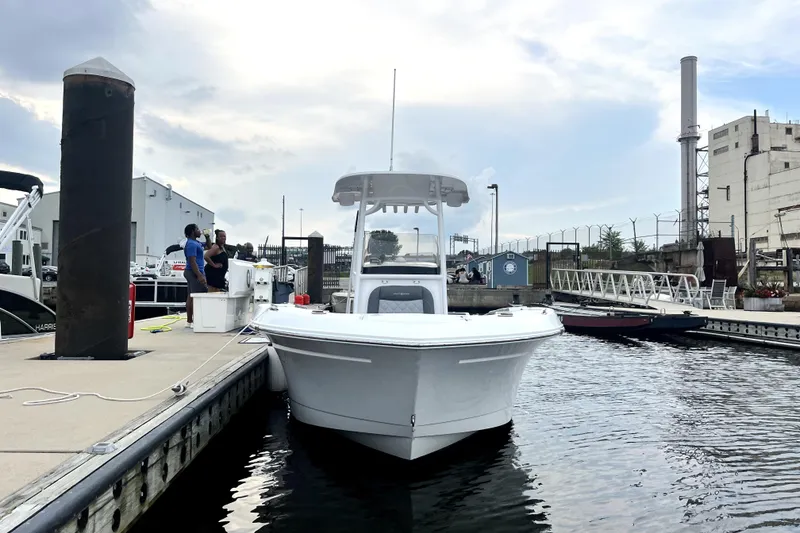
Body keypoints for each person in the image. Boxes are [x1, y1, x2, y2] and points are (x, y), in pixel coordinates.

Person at [183, 223, 207, 326]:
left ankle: (190, 321)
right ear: (193, 231)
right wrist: (199, 275)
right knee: (194, 296)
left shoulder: (196, 242)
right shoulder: (191, 244)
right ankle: (191, 321)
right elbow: (192, 261)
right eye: (197, 229)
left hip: (195, 272)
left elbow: (209, 246)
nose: (199, 231)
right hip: (193, 272)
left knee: (191, 296)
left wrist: (207, 236)